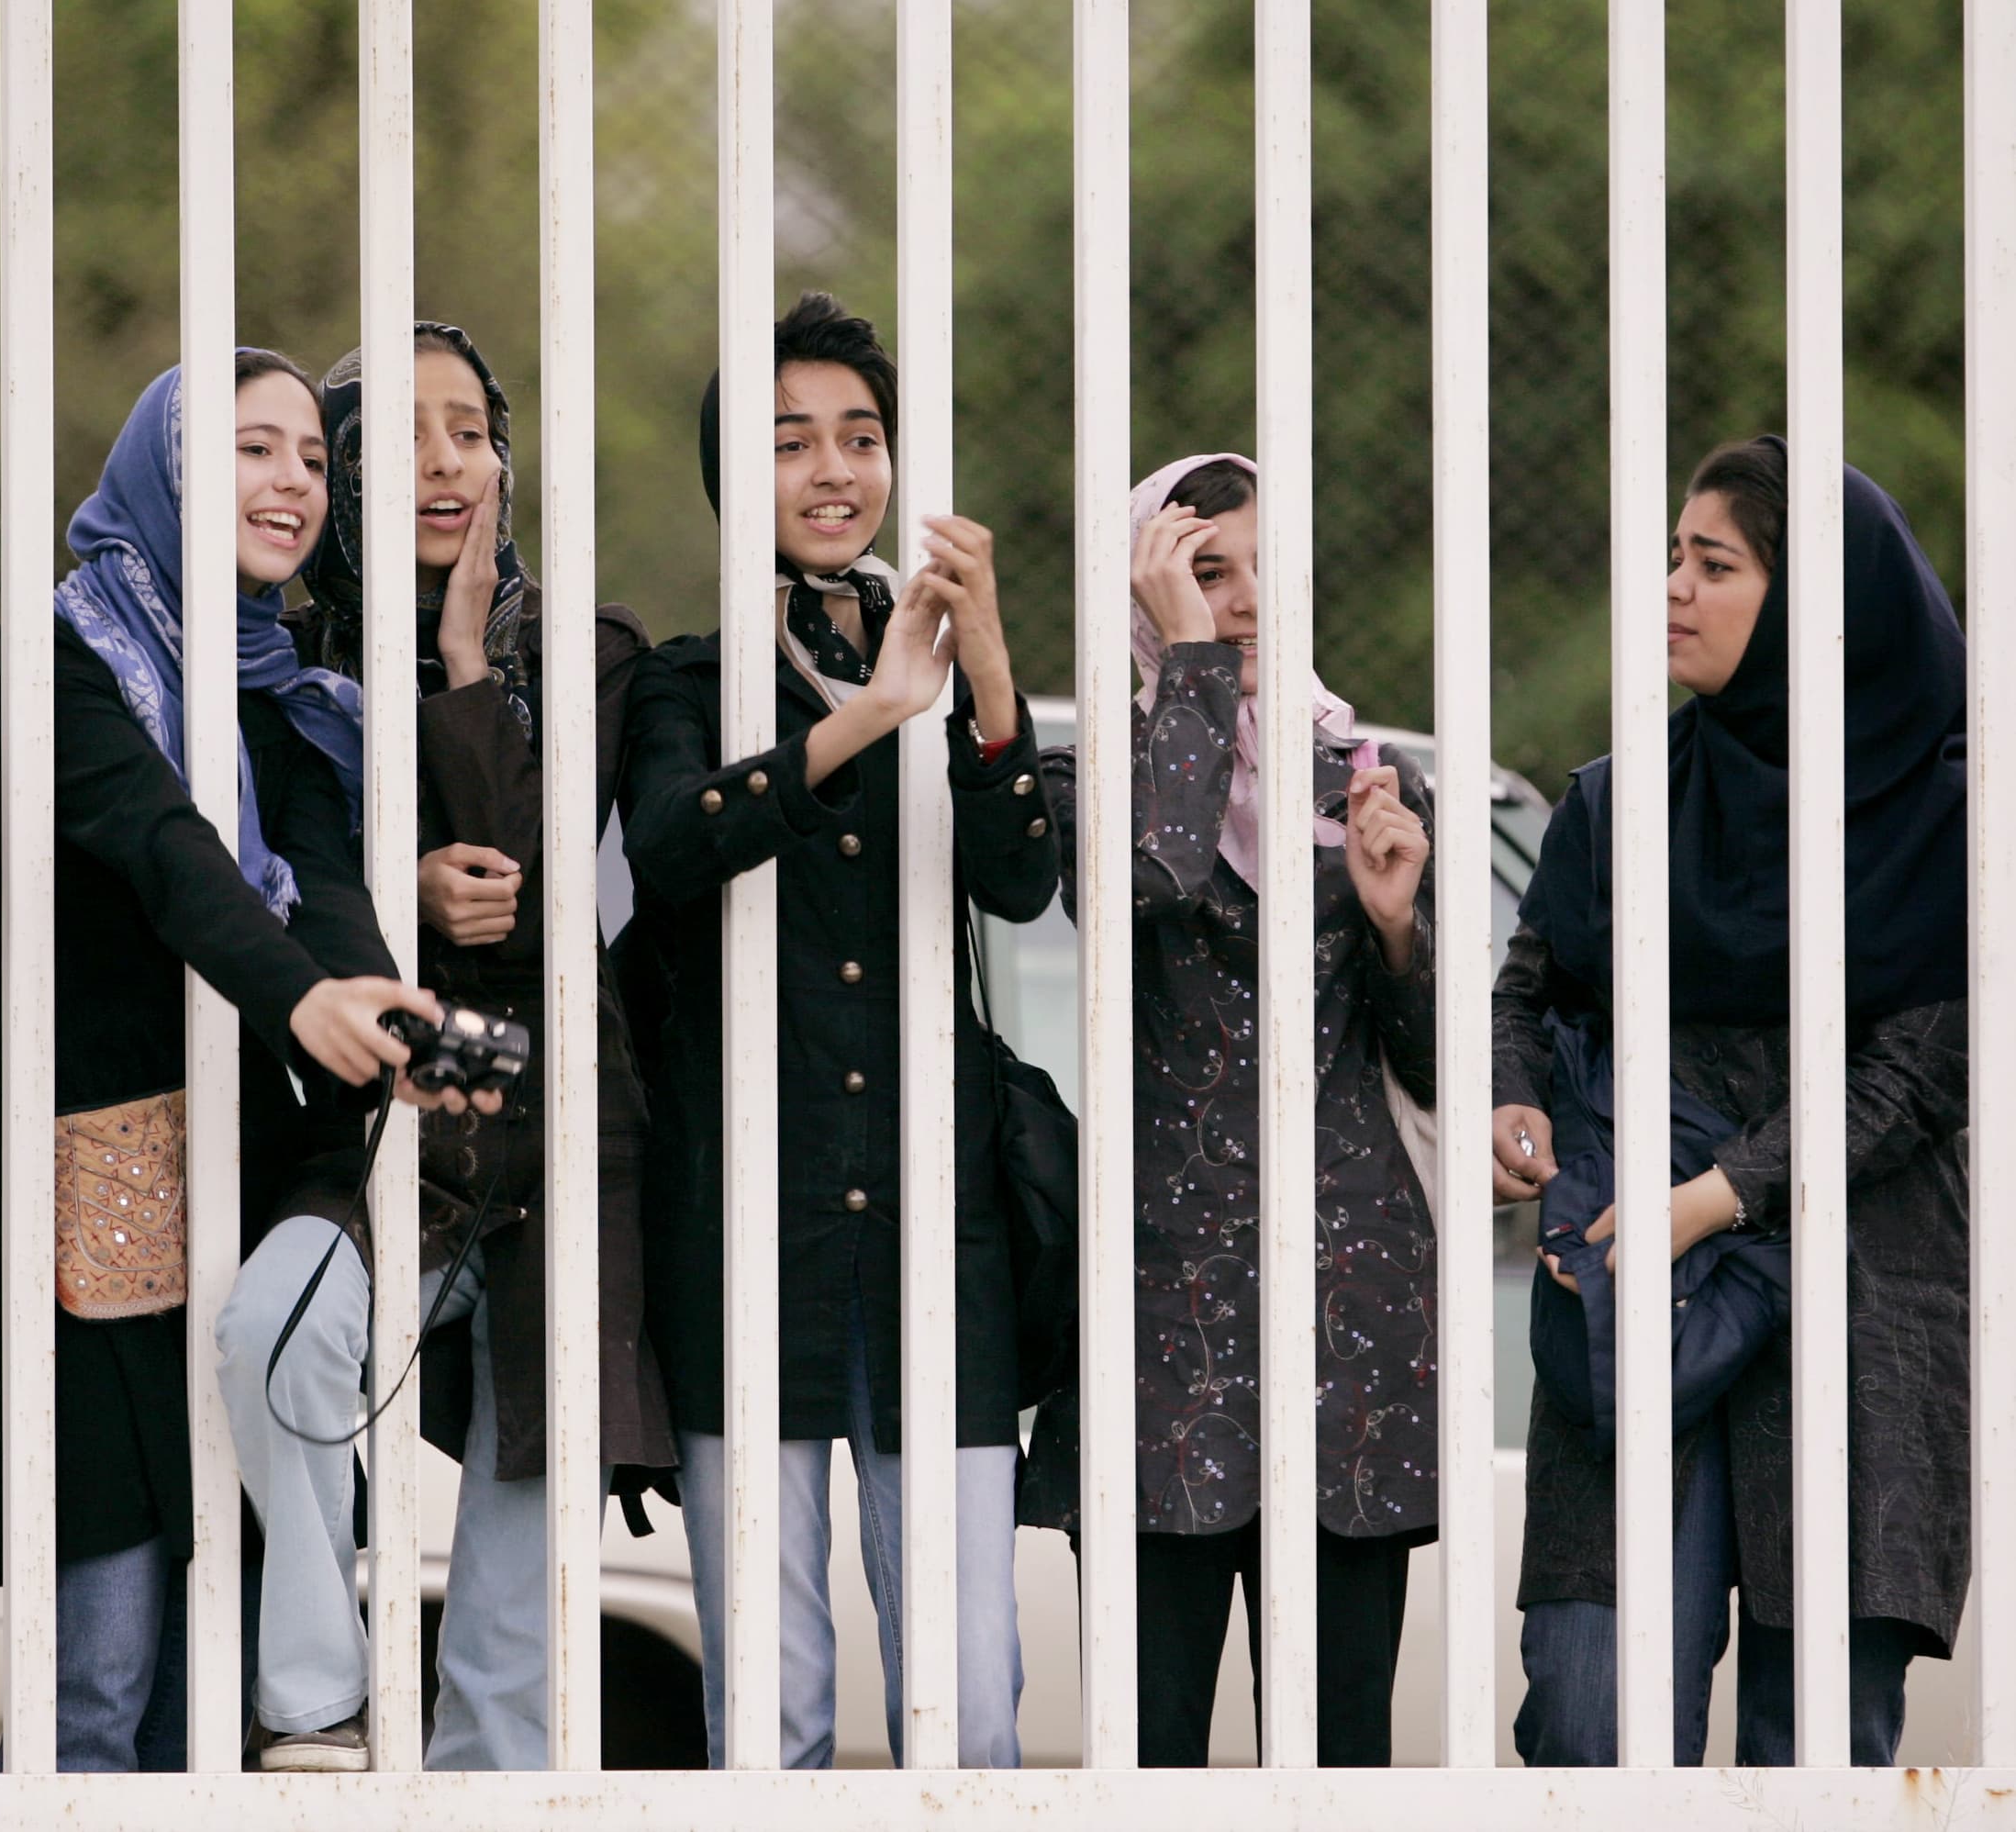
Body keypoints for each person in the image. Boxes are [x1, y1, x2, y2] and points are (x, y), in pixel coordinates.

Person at [0, 352, 462, 1774]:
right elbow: (169, 851)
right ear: (166, 469)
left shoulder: (281, 686)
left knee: (216, 1686)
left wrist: (375, 1006)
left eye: (309, 457)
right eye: (252, 448)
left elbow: (331, 888)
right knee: (97, 1665)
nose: (291, 482)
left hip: (240, 1182)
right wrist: (304, 1001)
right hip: (87, 1188)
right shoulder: (52, 657)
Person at [219, 322, 675, 1771]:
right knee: (269, 1338)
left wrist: (474, 664)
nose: (442, 460)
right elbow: (281, 873)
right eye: (397, 433)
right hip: (376, 1136)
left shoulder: (590, 651)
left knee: (516, 1553)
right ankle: (313, 1701)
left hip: (553, 1133)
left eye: (468, 427)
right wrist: (402, 888)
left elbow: (540, 883)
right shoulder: (280, 649)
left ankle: (487, 1774)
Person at [616, 291, 1057, 1770]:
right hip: (745, 1227)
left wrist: (983, 666)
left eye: (859, 439)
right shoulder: (683, 677)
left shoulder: (947, 669)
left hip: (942, 1230)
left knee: (969, 1693)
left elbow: (1021, 877)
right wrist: (873, 713)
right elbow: (676, 845)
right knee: (771, 1696)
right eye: (791, 440)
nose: (832, 470)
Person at [1496, 437, 1969, 1767]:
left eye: (1713, 565)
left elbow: (1916, 1075)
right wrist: (1508, 1102)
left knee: (1811, 1738)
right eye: (1668, 558)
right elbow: (1524, 995)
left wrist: (1709, 1201)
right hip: (1632, 1304)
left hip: (1856, 1309)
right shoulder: (1619, 803)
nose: (1670, 591)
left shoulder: (1948, 821)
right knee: (1592, 1705)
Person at [1018, 451, 1438, 1768]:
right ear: (1143, 596)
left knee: (1341, 1758)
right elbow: (1140, 886)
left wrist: (1392, 925)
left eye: (1265, 572)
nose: (1246, 602)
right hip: (1163, 1332)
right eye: (1205, 574)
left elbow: (1434, 1066)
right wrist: (1189, 669)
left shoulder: (1365, 783)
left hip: (1348, 1331)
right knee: (1144, 1756)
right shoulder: (1089, 783)